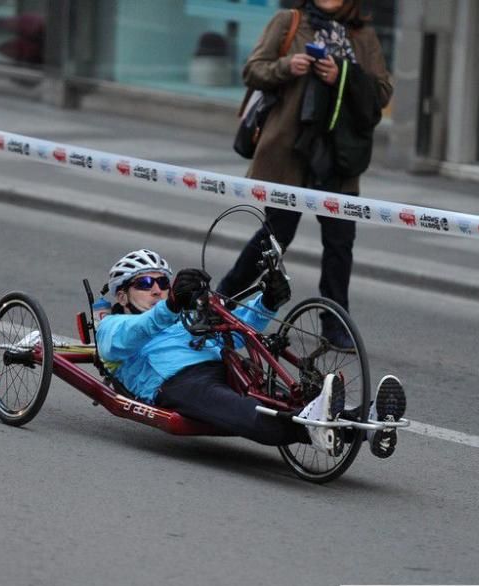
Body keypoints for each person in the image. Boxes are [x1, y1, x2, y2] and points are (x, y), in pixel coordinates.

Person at [95, 249, 406, 455]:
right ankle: (313, 424)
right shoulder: (115, 327)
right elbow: (132, 334)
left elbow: (238, 330)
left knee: (287, 399)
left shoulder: (182, 318)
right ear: (122, 295)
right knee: (251, 414)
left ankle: (368, 421)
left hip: (227, 366)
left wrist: (269, 300)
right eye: (145, 282)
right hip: (180, 383)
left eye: (163, 282)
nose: (157, 289)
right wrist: (172, 304)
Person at [218, 0, 393, 351]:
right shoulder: (289, 22)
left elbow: (382, 92)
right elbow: (253, 70)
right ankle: (224, 298)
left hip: (338, 156)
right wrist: (287, 66)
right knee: (277, 234)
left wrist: (341, 74)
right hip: (289, 151)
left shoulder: (362, 34)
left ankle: (334, 321)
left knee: (340, 241)